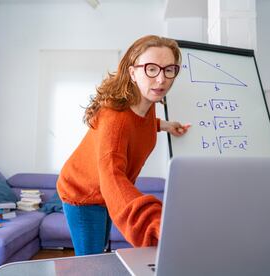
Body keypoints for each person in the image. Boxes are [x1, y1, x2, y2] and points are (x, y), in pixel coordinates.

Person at [57, 35, 191, 256]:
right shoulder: (115, 119)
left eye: (169, 70)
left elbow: (138, 125)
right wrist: (158, 224)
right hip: (82, 193)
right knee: (91, 262)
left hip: (105, 192)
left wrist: (166, 126)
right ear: (132, 72)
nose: (161, 80)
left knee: (101, 251)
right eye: (151, 69)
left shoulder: (146, 103)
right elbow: (112, 176)